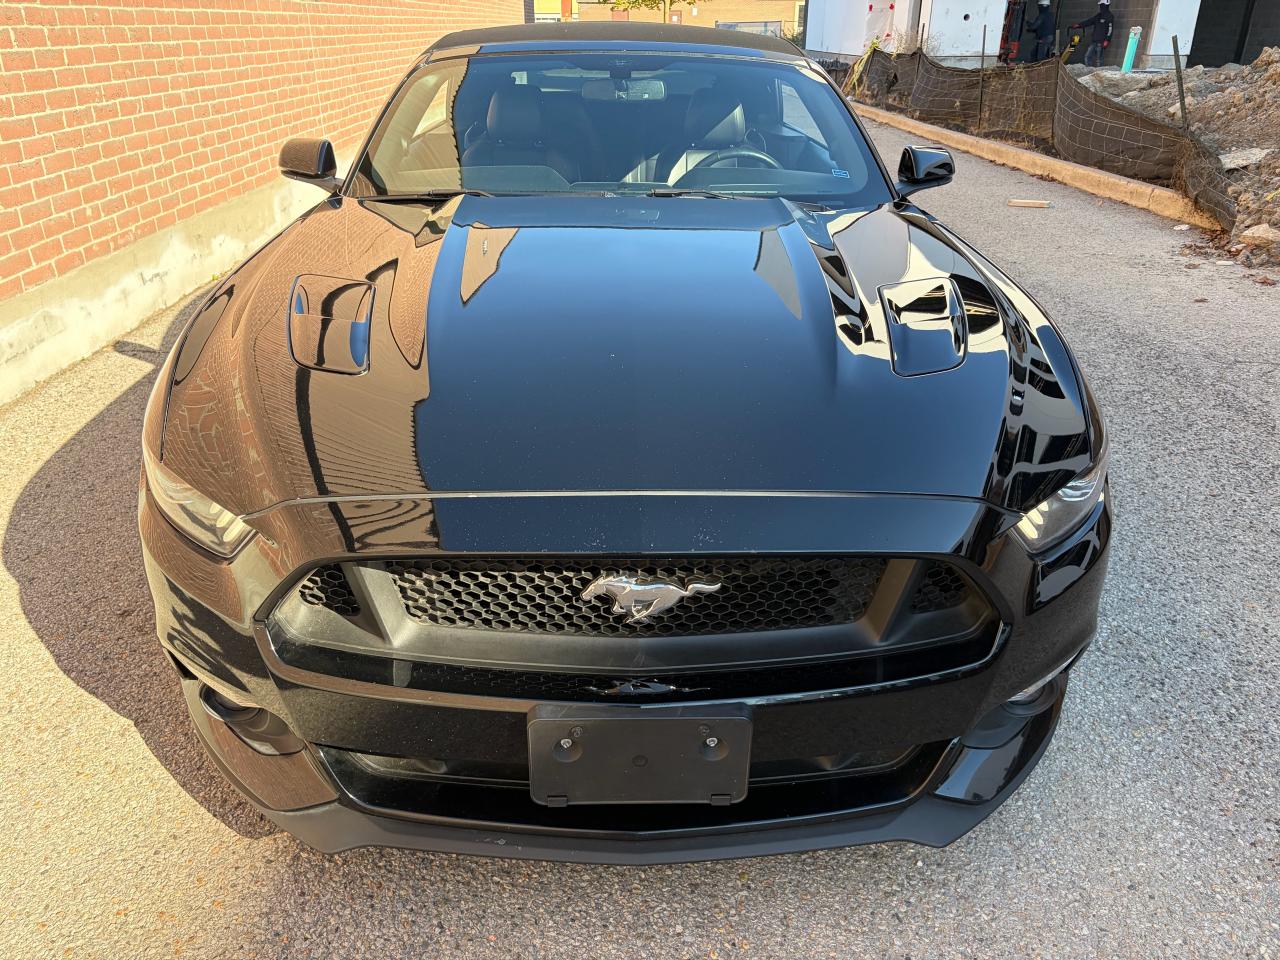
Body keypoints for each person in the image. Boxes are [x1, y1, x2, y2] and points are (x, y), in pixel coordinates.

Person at [1073, 0, 1115, 67]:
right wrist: (1079, 25)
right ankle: (1089, 71)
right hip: (1094, 41)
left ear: (1105, 5)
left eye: (1101, 5)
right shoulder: (1098, 16)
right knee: (1087, 56)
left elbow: (1110, 29)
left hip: (1101, 42)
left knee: (1099, 60)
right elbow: (1089, 21)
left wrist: (1107, 40)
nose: (1100, 7)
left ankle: (1099, 74)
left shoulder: (1109, 16)